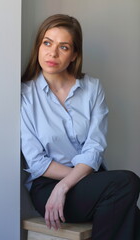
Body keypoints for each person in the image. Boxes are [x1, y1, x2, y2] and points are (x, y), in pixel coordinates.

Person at [21, 14, 140, 239]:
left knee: (132, 213)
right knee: (127, 183)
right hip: (48, 187)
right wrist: (67, 182)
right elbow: (36, 161)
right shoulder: (25, 96)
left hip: (84, 180)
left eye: (63, 47)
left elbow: (95, 146)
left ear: (74, 54)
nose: (52, 53)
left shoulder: (92, 89)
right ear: (38, 45)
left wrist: (66, 185)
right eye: (47, 43)